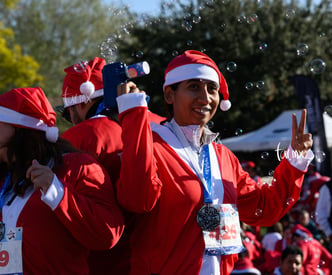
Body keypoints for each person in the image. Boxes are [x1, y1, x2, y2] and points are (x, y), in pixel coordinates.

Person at [115, 50, 314, 274]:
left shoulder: (222, 156)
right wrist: (132, 115)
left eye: (212, 89)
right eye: (194, 87)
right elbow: (137, 199)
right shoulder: (150, 145)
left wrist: (295, 160)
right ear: (170, 95)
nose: (205, 98)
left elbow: (263, 209)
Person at [0, 87, 124, 273]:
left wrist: (56, 192)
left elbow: (108, 233)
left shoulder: (78, 167)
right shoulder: (5, 175)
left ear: (20, 130)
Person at [60, 57, 142, 274]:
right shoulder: (147, 125)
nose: (71, 118)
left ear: (83, 102)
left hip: (99, 262)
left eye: (68, 111)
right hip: (150, 259)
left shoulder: (80, 136)